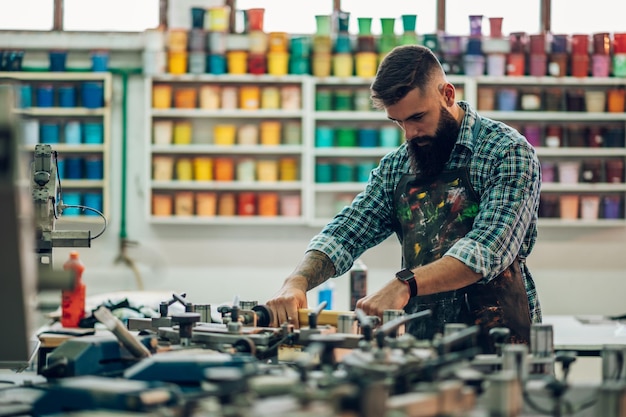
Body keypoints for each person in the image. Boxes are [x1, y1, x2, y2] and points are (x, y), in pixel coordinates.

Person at [266, 44, 542, 353]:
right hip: (422, 346)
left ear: (447, 94)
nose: (409, 133)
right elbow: (347, 231)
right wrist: (297, 281)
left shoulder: (506, 152)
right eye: (398, 122)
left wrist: (404, 284)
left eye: (417, 117)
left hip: (501, 346)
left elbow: (487, 250)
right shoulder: (398, 166)